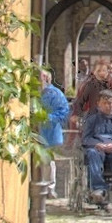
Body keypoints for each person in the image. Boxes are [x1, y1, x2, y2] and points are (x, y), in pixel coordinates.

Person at [79, 88, 112, 212]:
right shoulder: (92, 119)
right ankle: (98, 189)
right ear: (98, 103)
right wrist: (98, 144)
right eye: (106, 103)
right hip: (97, 147)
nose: (110, 106)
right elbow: (85, 139)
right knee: (92, 153)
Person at [38, 67, 71, 197]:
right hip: (34, 132)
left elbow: (64, 112)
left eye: (38, 77)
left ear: (46, 78)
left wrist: (47, 118)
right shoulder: (33, 93)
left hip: (48, 132)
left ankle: (49, 188)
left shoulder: (55, 94)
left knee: (47, 161)